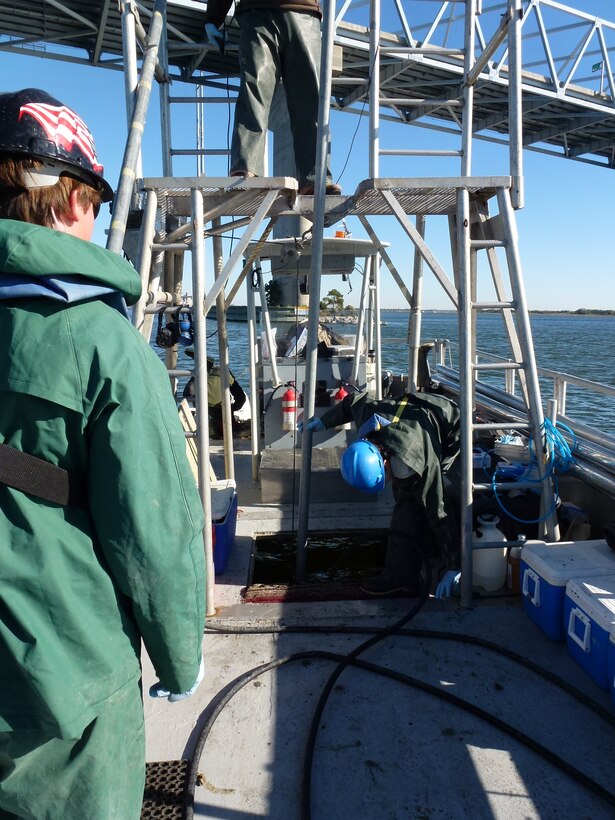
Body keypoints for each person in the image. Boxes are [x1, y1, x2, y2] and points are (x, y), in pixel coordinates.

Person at [0, 88, 206, 819]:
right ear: (67, 203)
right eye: (93, 200)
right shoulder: (104, 345)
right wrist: (181, 655)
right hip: (62, 681)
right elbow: (153, 530)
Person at [300, 390, 461, 597]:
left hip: (451, 425)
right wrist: (324, 422)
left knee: (416, 503)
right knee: (408, 499)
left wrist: (454, 566)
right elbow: (352, 401)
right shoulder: (367, 415)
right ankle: (410, 562)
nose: (388, 483)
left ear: (385, 463)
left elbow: (438, 508)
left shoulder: (410, 462)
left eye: (384, 478)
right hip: (420, 409)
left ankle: (408, 572)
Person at [202, 0, 342, 195]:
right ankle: (246, 171)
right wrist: (213, 17)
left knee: (306, 100)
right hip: (260, 12)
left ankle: (315, 178)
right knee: (258, 92)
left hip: (295, 13)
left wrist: (213, 19)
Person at [183, 354, 249, 438]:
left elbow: (186, 394)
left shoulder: (197, 378)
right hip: (225, 415)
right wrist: (232, 408)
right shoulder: (225, 374)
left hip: (205, 415)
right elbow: (241, 397)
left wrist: (193, 378)